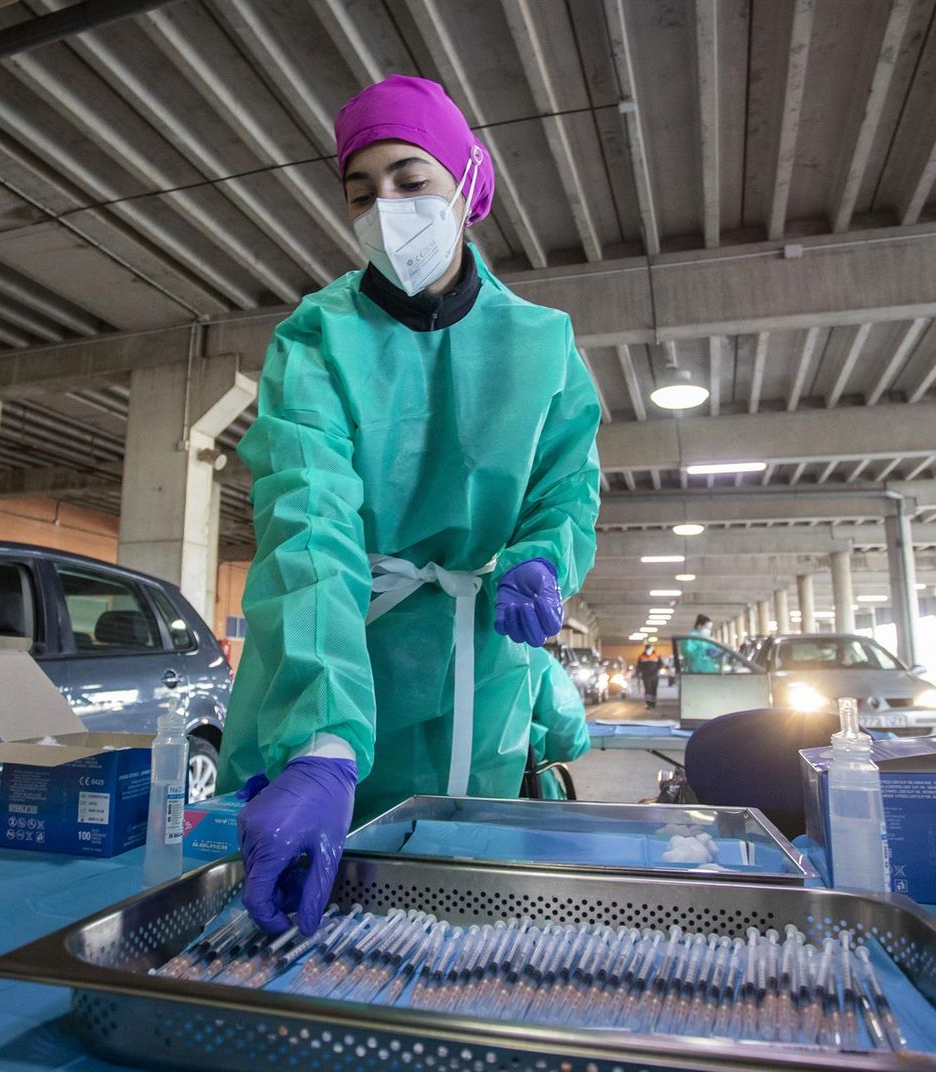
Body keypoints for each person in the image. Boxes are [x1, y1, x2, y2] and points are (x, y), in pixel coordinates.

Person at [216, 75, 602, 937]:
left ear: (467, 184)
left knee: (468, 906)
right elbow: (307, 527)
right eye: (361, 192)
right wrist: (320, 743)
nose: (386, 209)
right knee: (320, 910)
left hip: (480, 664)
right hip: (343, 643)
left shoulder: (542, 345)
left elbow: (566, 486)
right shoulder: (317, 338)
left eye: (410, 179)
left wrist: (543, 557)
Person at [524, 646, 590, 800]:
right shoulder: (531, 657)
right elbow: (570, 741)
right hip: (519, 794)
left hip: (465, 799)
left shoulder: (463, 652)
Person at [635, 641, 662, 709]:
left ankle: (653, 703)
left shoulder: (657, 655)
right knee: (648, 689)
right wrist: (638, 673)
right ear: (645, 649)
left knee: (654, 689)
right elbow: (638, 666)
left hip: (654, 675)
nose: (648, 650)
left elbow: (660, 664)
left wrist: (658, 671)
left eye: (649, 648)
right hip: (646, 676)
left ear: (652, 648)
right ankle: (649, 704)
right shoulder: (641, 656)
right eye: (647, 648)